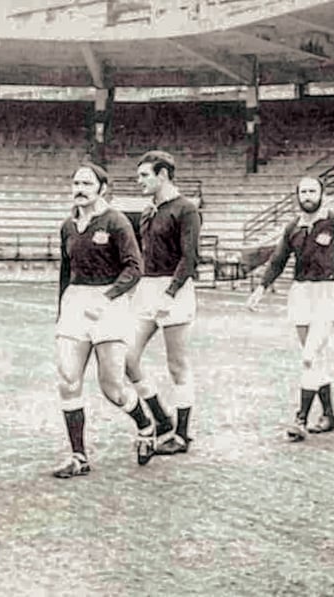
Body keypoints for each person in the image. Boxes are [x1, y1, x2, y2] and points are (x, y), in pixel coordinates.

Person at [246, 176, 334, 442]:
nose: (307, 195)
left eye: (312, 191)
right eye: (303, 191)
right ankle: (328, 415)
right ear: (297, 195)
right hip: (301, 293)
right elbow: (278, 260)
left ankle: (300, 419)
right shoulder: (293, 226)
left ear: (321, 193)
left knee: (309, 355)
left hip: (327, 292)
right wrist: (261, 288)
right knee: (316, 357)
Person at [53, 163, 155, 478]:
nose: (79, 188)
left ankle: (145, 424)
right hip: (75, 304)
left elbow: (134, 268)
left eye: (86, 182)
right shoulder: (68, 226)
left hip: (108, 305)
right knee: (67, 380)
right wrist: (62, 311)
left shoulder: (116, 221)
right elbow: (65, 272)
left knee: (112, 387)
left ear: (102, 188)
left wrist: (107, 297)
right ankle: (78, 456)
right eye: (75, 182)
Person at [124, 150, 201, 456]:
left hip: (176, 290)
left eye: (144, 175)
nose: (138, 180)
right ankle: (160, 417)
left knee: (177, 365)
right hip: (147, 288)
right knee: (126, 358)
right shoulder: (147, 212)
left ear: (163, 175)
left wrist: (170, 293)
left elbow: (190, 257)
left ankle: (181, 435)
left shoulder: (186, 209)